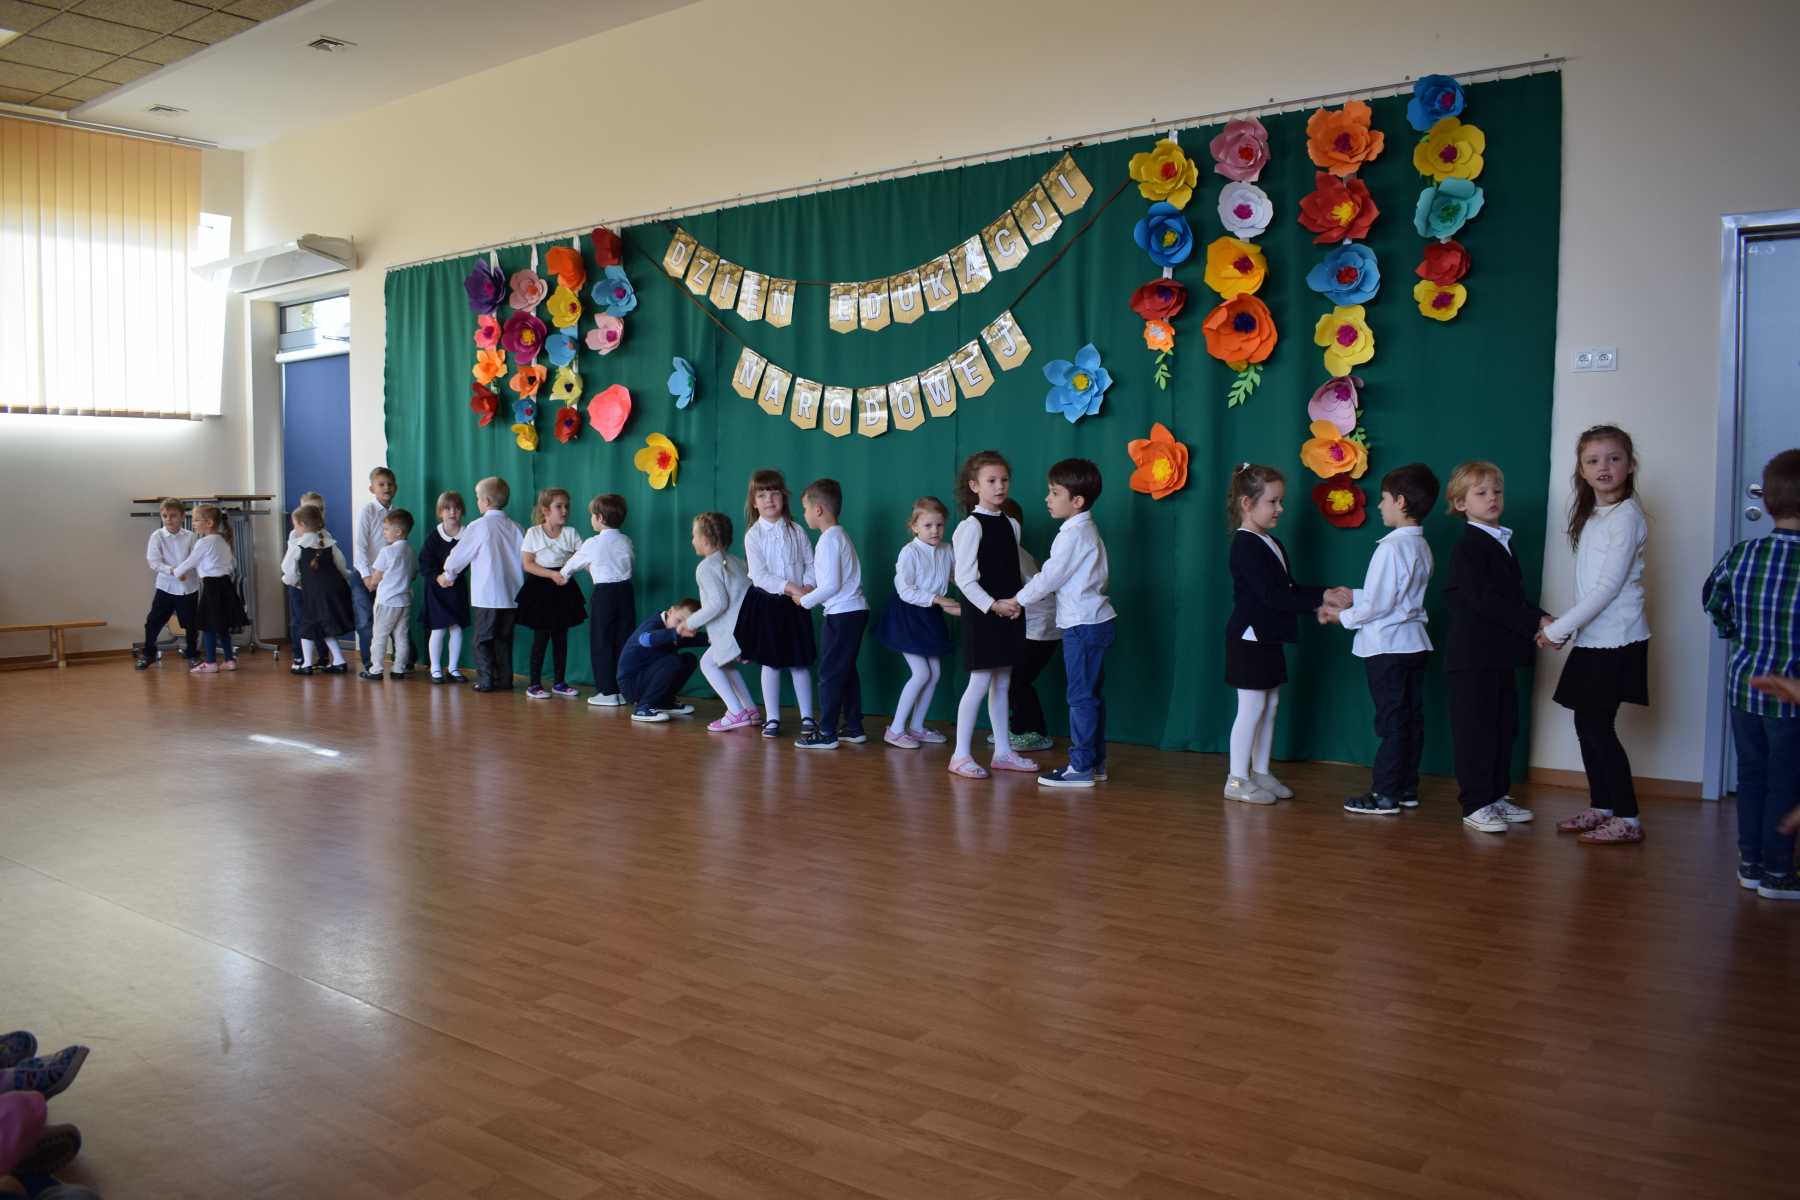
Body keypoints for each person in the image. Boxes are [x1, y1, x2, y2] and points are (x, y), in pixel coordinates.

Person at [1538, 425, 1651, 846]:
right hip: (1593, 637)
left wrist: (1558, 629)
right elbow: (1589, 587)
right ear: (1582, 471)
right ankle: (1602, 807)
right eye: (1593, 460)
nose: (1604, 467)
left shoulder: (1627, 517)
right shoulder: (1595, 516)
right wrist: (1571, 629)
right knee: (1586, 724)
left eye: (1614, 458)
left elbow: (1607, 589)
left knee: (1599, 727)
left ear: (1631, 465)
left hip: (1617, 638)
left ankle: (1628, 817)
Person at [1704, 448, 1800, 899]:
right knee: (1787, 781)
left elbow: (1713, 599)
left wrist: (1737, 636)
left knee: (1752, 775)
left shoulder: (1743, 554)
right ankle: (1778, 873)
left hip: (1744, 686)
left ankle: (1751, 864)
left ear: (1767, 502)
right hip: (1790, 697)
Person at [1223, 465, 1348, 804]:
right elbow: (1271, 596)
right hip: (1249, 638)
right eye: (1273, 501)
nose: (1280, 508)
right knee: (1251, 707)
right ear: (1247, 503)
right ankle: (1237, 778)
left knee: (1270, 704)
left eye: (1281, 501)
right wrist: (1317, 601)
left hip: (1269, 636)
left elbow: (1288, 589)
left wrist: (1324, 594)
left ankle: (1261, 771)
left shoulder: (1270, 542)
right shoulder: (1244, 544)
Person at [1323, 463, 1440, 816]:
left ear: (1400, 502)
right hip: (1413, 643)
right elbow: (1396, 596)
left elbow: (1379, 604)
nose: (1379, 505)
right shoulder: (1421, 546)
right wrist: (1354, 595)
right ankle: (1406, 788)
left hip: (1388, 648)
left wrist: (1341, 616)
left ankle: (1385, 794)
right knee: (1410, 720)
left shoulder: (1390, 548)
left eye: (1384, 498)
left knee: (1392, 723)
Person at [1441, 462, 1546, 833]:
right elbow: (1484, 600)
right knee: (1476, 732)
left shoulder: (1501, 540)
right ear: (1461, 503)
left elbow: (1510, 598)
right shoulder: (1468, 546)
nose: (1492, 498)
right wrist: (1537, 622)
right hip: (1472, 658)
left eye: (1497, 491)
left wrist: (1541, 618)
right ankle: (1476, 804)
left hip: (1498, 655)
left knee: (1503, 727)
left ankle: (1496, 795)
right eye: (1481, 493)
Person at [1013, 459, 1115, 788]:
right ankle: (1094, 763)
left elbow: (1049, 578)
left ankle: (1081, 767)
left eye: (1055, 493)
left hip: (1083, 625)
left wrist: (1016, 601)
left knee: (1081, 698)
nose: (1048, 498)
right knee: (1090, 697)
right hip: (1092, 622)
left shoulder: (1073, 535)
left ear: (1077, 501)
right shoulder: (1083, 530)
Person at [949, 450, 1036, 779]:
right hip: (984, 615)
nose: (1000, 486)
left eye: (1004, 480)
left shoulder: (1011, 524)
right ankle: (960, 755)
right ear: (974, 486)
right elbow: (965, 579)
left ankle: (1003, 751)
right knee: (980, 681)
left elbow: (1013, 571)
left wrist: (1019, 600)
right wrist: (993, 605)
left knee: (1003, 681)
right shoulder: (969, 527)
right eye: (991, 481)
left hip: (1009, 613)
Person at [735, 469, 817, 739]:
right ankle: (772, 718)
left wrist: (807, 586)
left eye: (774, 493)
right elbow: (759, 575)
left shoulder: (797, 530)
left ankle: (807, 717)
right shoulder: (754, 535)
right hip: (768, 604)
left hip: (797, 604)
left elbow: (810, 563)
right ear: (754, 502)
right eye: (762, 495)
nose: (769, 499)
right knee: (770, 663)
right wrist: (791, 587)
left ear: (784, 497)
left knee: (799, 663)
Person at [787, 479, 869, 749]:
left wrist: (804, 600)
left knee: (830, 673)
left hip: (843, 614)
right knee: (845, 671)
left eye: (805, 508)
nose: (804, 514)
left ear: (819, 509)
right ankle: (854, 727)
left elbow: (831, 585)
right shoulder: (837, 536)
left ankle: (827, 732)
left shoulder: (829, 540)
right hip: (851, 612)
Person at [875, 496, 959, 748]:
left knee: (934, 674)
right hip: (907, 615)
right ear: (914, 526)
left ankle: (917, 726)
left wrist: (974, 599)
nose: (935, 531)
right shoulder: (909, 552)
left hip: (930, 615)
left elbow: (958, 577)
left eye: (939, 525)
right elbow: (906, 591)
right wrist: (941, 600)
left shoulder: (946, 550)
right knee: (921, 673)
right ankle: (895, 729)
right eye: (928, 525)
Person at [439, 476, 525, 692]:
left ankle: (486, 680)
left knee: (483, 639)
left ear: (485, 501)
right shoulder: (517, 527)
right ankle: (504, 679)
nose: (477, 502)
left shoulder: (479, 526)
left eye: (477, 498)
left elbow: (459, 555)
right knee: (504, 639)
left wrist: (448, 575)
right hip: (512, 595)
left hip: (488, 595)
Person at [995, 497, 1060, 755]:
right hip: (1033, 626)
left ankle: (1034, 733)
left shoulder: (1013, 554)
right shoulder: (1011, 552)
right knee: (1013, 679)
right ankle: (1016, 730)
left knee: (1016, 680)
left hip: (1040, 627)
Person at [683, 511, 757, 731]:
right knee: (723, 663)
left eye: (694, 535)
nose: (692, 540)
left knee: (707, 663)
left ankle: (736, 712)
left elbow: (718, 603)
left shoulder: (706, 567)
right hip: (745, 630)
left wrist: (689, 623)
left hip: (733, 632)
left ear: (705, 540)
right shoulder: (737, 562)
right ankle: (750, 710)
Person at [561, 493, 636, 707]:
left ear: (600, 518)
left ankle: (607, 691)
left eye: (593, 515)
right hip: (626, 591)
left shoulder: (592, 543)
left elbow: (571, 566)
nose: (591, 519)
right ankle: (624, 689)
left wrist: (563, 574)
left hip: (604, 594)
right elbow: (629, 561)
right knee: (624, 639)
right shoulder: (626, 540)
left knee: (601, 640)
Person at [516, 487, 587, 699]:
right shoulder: (534, 533)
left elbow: (583, 557)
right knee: (540, 638)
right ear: (545, 510)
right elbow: (528, 564)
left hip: (563, 588)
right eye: (559, 506)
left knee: (560, 638)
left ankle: (559, 683)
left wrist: (568, 571)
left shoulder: (571, 533)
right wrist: (551, 574)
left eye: (567, 506)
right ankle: (534, 684)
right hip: (540, 589)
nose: (564, 510)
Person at [168, 504, 247, 674]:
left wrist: (175, 572)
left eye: (196, 520)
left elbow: (190, 562)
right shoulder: (223, 540)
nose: (193, 523)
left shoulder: (204, 542)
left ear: (209, 523)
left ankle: (210, 662)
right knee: (222, 625)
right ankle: (229, 660)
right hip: (226, 585)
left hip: (212, 588)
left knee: (208, 626)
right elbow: (230, 565)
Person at [279, 504, 353, 675]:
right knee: (325, 624)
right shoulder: (329, 544)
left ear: (302, 525)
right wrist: (348, 581)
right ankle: (339, 660)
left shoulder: (298, 545)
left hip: (313, 593)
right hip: (334, 590)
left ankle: (306, 664)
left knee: (307, 626)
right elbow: (342, 567)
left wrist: (295, 583)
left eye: (295, 525)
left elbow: (288, 571)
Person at [136, 497, 198, 669]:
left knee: (191, 624)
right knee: (153, 622)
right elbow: (154, 562)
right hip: (166, 587)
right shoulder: (157, 536)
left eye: (173, 516)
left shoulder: (191, 536)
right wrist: (174, 571)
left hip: (188, 587)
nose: (169, 519)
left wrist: (186, 571)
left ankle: (192, 654)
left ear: (182, 516)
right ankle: (149, 653)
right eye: (165, 516)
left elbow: (195, 559)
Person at [417, 491, 471, 683]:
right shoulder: (434, 537)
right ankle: (435, 668)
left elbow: (469, 559)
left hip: (456, 589)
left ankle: (453, 668)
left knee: (456, 629)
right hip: (436, 590)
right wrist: (437, 577)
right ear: (440, 512)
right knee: (438, 629)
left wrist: (454, 576)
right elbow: (424, 562)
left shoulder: (468, 535)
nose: (452, 512)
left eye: (456, 508)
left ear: (462, 511)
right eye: (447, 508)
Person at [620, 598, 704, 723]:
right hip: (632, 685)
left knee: (688, 659)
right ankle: (643, 708)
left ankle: (664, 702)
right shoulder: (653, 624)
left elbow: (698, 639)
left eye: (688, 625)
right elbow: (645, 639)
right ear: (671, 611)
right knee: (673, 661)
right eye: (679, 621)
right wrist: (677, 631)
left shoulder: (674, 630)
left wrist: (717, 638)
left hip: (646, 678)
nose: (681, 626)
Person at [363, 507, 417, 680]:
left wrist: (371, 584)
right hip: (404, 600)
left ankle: (376, 669)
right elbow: (414, 574)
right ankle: (399, 669)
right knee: (401, 636)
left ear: (398, 532)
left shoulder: (387, 551)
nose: (384, 532)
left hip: (387, 601)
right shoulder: (410, 551)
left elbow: (376, 577)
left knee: (379, 636)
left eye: (386, 529)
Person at [352, 467, 397, 667]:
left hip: (389, 577)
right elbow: (360, 547)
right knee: (365, 621)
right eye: (381, 484)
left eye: (390, 484)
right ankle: (370, 664)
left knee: (394, 619)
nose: (386, 487)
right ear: (372, 489)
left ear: (395, 487)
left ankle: (403, 660)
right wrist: (367, 576)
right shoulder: (367, 511)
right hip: (366, 575)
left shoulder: (396, 514)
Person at [283, 489, 325, 663]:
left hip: (317, 586)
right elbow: (289, 564)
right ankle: (299, 655)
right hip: (299, 585)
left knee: (321, 619)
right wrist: (293, 582)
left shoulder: (324, 535)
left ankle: (323, 655)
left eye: (319, 510)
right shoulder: (295, 535)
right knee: (299, 620)